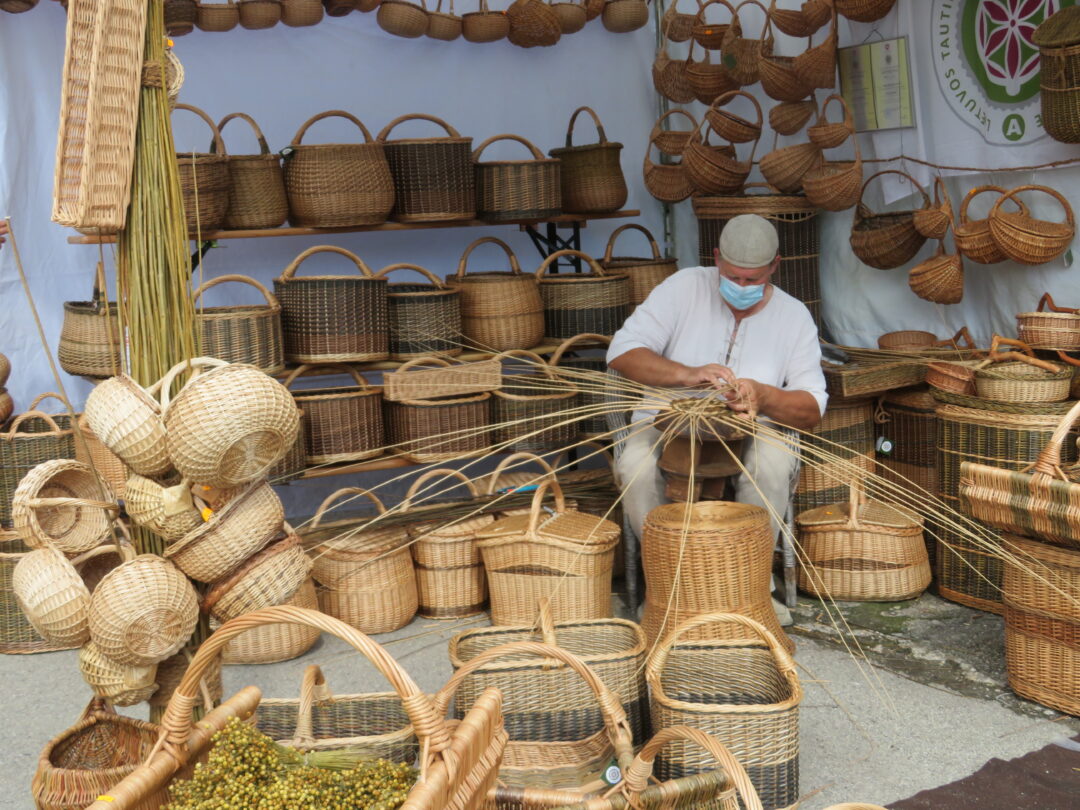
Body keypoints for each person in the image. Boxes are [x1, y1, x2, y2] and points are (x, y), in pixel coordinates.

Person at [606, 214, 827, 621]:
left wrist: (764, 395)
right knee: (635, 468)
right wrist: (686, 374)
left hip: (756, 424)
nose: (740, 287)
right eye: (732, 276)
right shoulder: (682, 289)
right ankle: (668, 589)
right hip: (666, 418)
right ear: (716, 259)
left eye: (751, 279)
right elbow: (622, 353)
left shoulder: (794, 317)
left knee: (771, 467)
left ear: (775, 266)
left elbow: (811, 408)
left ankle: (751, 591)